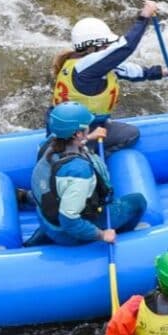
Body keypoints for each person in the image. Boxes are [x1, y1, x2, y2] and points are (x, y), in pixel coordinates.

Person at [51, 0, 168, 154]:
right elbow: (125, 47)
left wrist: (157, 73)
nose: (108, 50)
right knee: (131, 134)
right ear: (91, 47)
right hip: (80, 134)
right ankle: (92, 154)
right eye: (105, 46)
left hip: (66, 129)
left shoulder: (80, 63)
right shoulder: (88, 66)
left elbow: (126, 70)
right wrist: (144, 17)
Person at [28, 101, 147, 246]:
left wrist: (88, 137)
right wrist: (102, 235)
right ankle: (123, 236)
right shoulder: (79, 172)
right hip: (67, 231)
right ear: (77, 133)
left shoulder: (49, 143)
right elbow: (69, 221)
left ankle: (39, 238)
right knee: (138, 201)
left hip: (46, 216)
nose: (90, 127)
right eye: (87, 126)